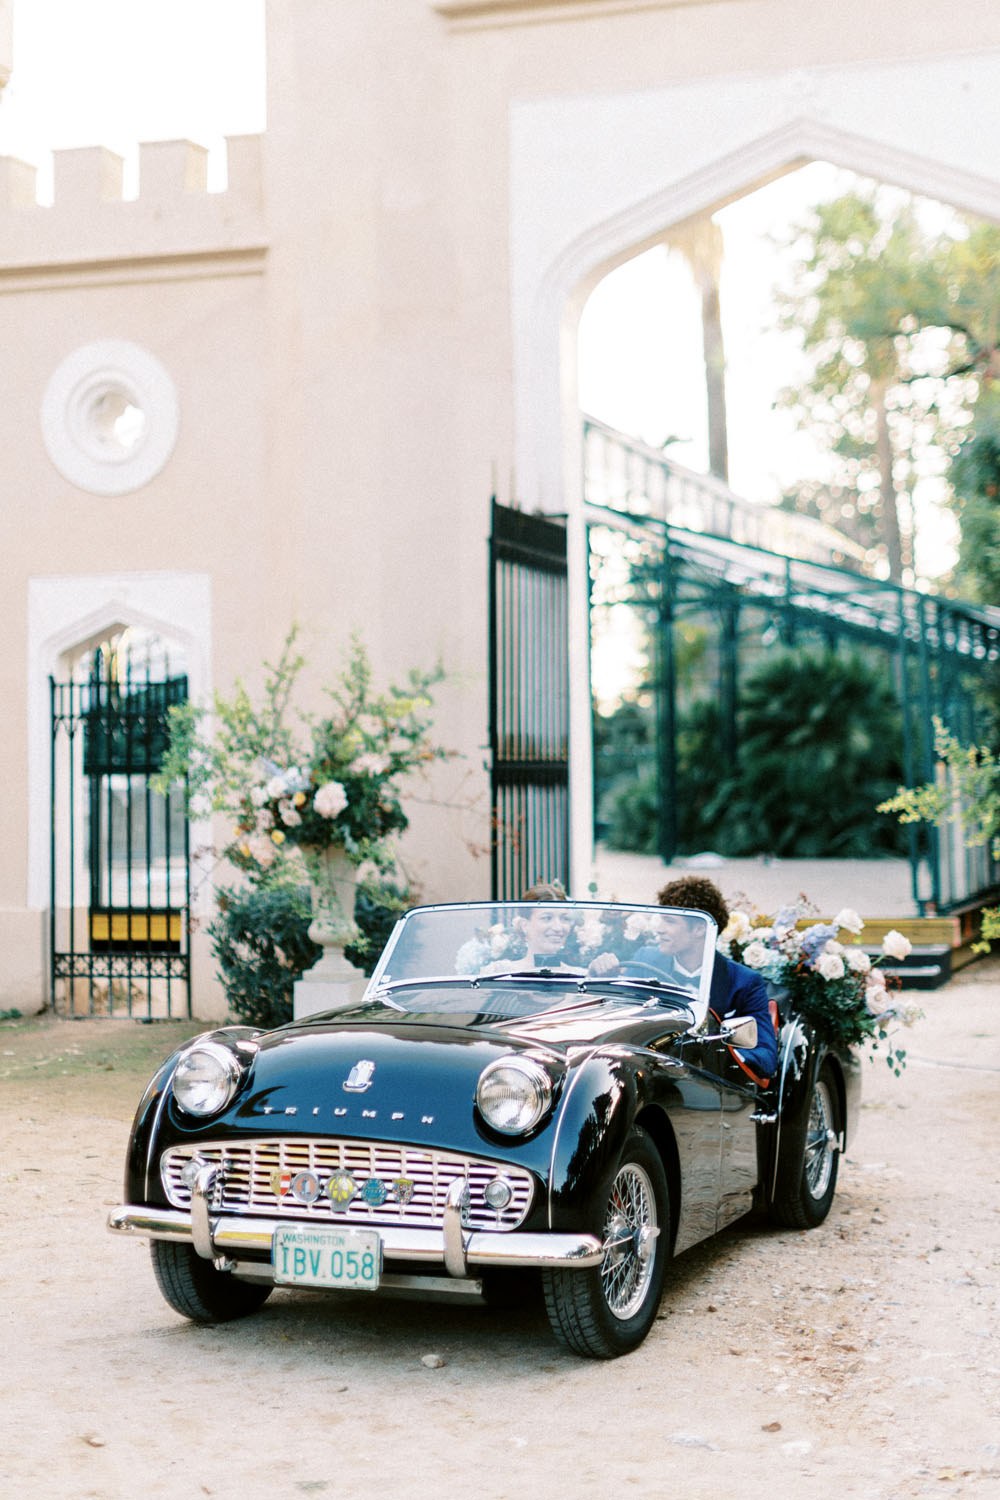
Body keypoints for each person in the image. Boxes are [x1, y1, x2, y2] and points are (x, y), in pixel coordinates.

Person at [643, 876, 778, 1081]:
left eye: (669, 921)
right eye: (661, 919)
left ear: (699, 928)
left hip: (712, 1090)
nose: (659, 928)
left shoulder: (744, 982)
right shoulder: (645, 960)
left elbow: (766, 1057)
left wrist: (720, 1053)